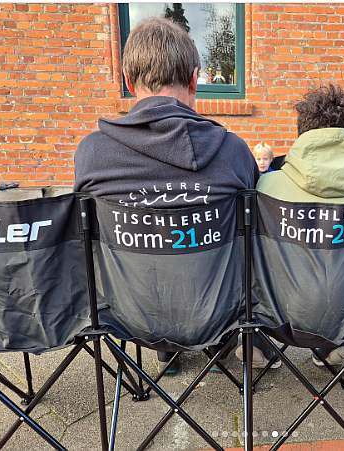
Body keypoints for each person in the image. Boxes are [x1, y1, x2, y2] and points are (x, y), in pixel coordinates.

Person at [73, 17, 259, 374]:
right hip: (220, 311)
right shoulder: (234, 152)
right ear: (194, 79)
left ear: (128, 81)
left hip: (130, 316)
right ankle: (219, 352)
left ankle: (166, 352)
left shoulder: (92, 153)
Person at [250, 84, 344, 369]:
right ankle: (332, 348)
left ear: (303, 132)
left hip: (278, 313)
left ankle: (257, 346)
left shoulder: (264, 188)